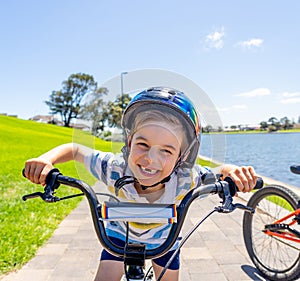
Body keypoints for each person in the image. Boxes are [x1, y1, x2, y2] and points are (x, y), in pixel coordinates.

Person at [23, 87, 257, 281]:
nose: (150, 159)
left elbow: (220, 172)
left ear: (182, 157)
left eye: (166, 150)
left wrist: (234, 174)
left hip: (164, 242)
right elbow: (74, 150)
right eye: (143, 144)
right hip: (117, 238)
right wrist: (46, 160)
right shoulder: (114, 168)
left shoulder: (187, 179)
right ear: (129, 141)